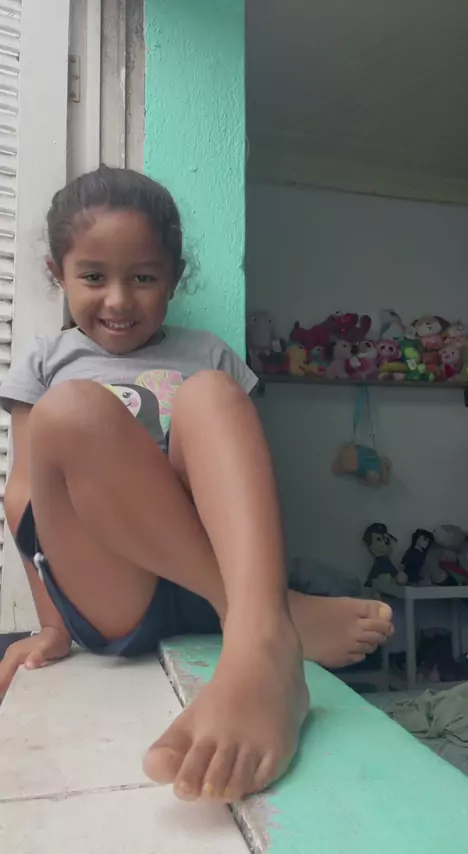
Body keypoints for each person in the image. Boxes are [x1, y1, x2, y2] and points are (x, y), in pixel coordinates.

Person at [0, 166, 393, 803]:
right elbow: (24, 502)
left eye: (143, 278)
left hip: (207, 576)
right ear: (58, 273)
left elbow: (242, 483)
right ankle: (270, 617)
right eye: (93, 277)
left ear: (175, 277)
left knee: (213, 393)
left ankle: (259, 633)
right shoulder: (47, 361)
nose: (118, 300)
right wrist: (51, 625)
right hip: (112, 590)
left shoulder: (207, 352)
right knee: (69, 412)